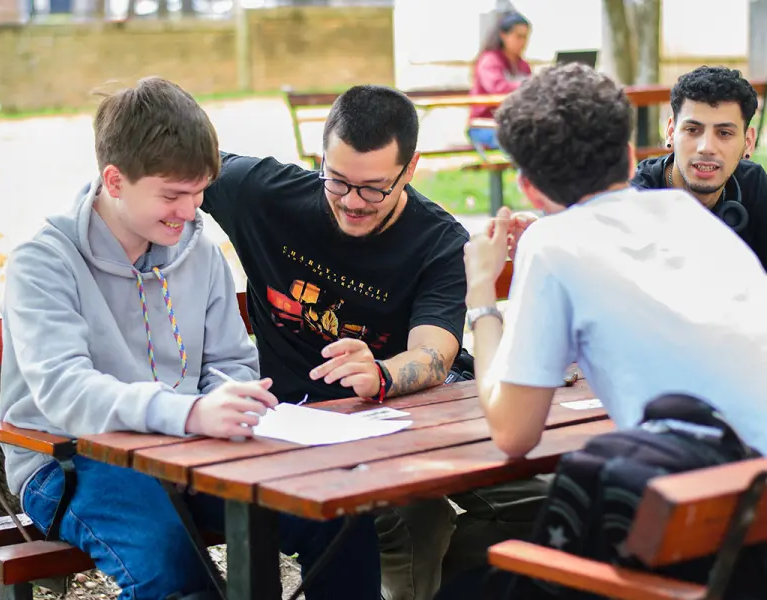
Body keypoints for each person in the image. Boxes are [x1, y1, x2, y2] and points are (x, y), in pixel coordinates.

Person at [0, 77, 381, 600]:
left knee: (340, 515)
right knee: (173, 566)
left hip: (189, 449)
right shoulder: (44, 261)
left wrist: (219, 409)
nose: (190, 210)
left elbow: (231, 362)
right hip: (69, 459)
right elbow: (65, 392)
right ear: (115, 180)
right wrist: (187, 417)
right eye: (173, 195)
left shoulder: (197, 251)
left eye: (199, 192)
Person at [201, 84, 548, 600]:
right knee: (415, 518)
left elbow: (433, 353)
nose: (352, 202)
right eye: (337, 181)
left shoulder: (436, 240)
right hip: (305, 426)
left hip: (417, 417)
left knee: (541, 501)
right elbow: (172, 160)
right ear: (321, 158)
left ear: (410, 170)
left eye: (373, 189)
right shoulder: (261, 193)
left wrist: (382, 373)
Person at [453, 62, 767, 594]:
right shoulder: (689, 215)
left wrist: (481, 292)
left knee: (465, 583)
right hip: (742, 529)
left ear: (528, 186)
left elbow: (512, 433)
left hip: (698, 543)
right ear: (629, 154)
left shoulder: (552, 244)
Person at [632, 66, 767, 270]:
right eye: (692, 130)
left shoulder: (753, 183)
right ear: (671, 133)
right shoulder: (636, 197)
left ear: (748, 142)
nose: (706, 147)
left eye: (724, 133)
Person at [467, 10, 532, 149]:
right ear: (503, 35)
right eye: (518, 36)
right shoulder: (489, 61)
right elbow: (497, 89)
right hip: (484, 126)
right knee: (520, 142)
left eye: (526, 37)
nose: (523, 42)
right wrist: (527, 85)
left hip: (515, 124)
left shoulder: (523, 65)